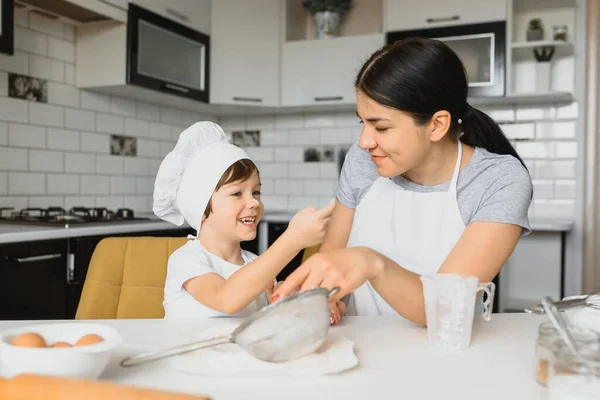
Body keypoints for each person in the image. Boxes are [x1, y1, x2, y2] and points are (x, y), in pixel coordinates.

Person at [273, 38, 533, 325]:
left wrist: (372, 263)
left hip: (442, 354)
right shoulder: (363, 161)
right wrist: (326, 297)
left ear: (437, 125)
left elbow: (445, 306)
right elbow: (331, 256)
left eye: (381, 127)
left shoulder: (498, 181)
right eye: (363, 123)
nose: (364, 141)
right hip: (358, 344)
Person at [152, 121, 339, 320]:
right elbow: (226, 298)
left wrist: (306, 301)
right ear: (201, 208)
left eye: (256, 192)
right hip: (187, 351)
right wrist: (293, 239)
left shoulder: (256, 264)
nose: (254, 202)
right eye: (236, 193)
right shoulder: (186, 260)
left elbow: (270, 314)